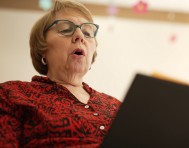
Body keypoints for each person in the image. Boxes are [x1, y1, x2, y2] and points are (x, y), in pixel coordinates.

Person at [0, 0, 121, 147]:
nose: (80, 36)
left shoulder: (118, 107)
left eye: (87, 33)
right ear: (42, 47)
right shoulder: (11, 94)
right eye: (65, 29)